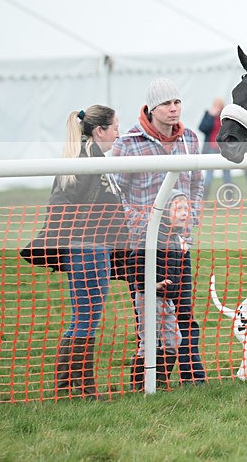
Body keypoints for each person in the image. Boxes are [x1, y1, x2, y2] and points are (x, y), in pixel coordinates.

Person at [111, 77, 207, 385]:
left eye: (177, 102)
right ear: (152, 109)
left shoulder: (190, 139)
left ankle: (193, 379)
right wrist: (148, 224)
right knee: (149, 316)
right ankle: (146, 382)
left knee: (183, 312)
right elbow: (116, 195)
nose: (174, 109)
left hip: (179, 245)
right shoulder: (128, 144)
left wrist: (189, 222)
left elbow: (196, 184)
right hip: (143, 247)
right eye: (166, 104)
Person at [49, 105, 126, 399]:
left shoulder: (86, 156)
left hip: (89, 247)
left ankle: (67, 387)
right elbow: (64, 204)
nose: (118, 133)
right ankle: (84, 389)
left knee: (82, 317)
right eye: (115, 127)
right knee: (87, 318)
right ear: (99, 131)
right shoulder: (89, 160)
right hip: (89, 247)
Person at [128, 190, 189, 390]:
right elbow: (134, 263)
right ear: (164, 211)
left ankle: (161, 383)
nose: (184, 212)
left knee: (174, 340)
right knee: (148, 343)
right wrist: (152, 284)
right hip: (148, 296)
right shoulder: (151, 234)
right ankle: (138, 386)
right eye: (178, 208)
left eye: (186, 208)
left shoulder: (177, 238)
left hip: (166, 299)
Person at [198, 97, 247, 198]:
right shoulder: (209, 114)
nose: (217, 108)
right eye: (216, 106)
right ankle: (204, 197)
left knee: (227, 174)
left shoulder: (226, 117)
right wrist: (210, 116)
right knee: (209, 174)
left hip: (224, 148)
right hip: (211, 148)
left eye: (219, 106)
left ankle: (229, 196)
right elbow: (203, 128)